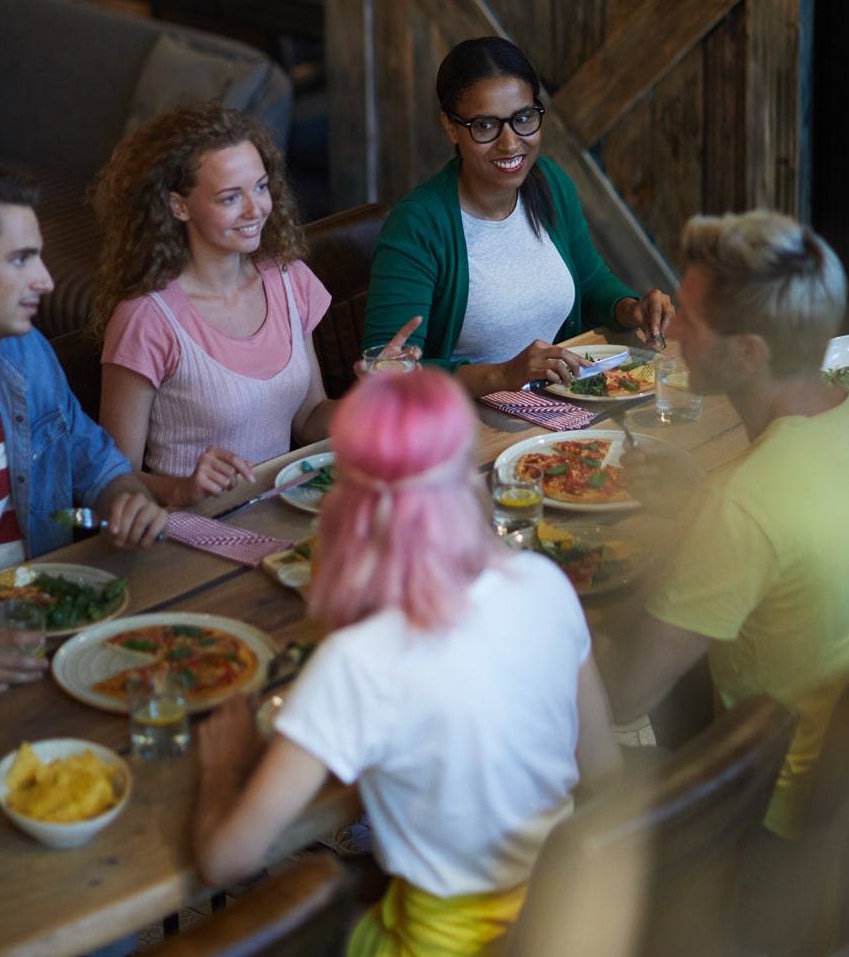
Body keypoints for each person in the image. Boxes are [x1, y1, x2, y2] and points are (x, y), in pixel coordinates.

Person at [193, 368, 620, 956]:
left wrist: (223, 766)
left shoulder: (358, 661)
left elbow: (224, 861)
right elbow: (603, 768)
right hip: (560, 926)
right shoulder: (543, 582)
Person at [598, 210, 849, 950]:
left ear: (748, 352)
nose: (672, 331)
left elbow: (622, 696)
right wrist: (701, 499)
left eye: (691, 319)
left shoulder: (739, 505)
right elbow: (797, 532)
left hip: (768, 833)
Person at [0, 161, 167, 694]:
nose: (45, 280)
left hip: (45, 626)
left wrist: (127, 501)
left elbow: (101, 469)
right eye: (21, 258)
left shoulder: (29, 353)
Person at [362, 37, 674, 396]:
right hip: (463, 421)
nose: (510, 143)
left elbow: (590, 283)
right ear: (450, 126)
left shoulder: (551, 184)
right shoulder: (418, 224)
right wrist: (501, 375)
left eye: (523, 118)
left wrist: (632, 309)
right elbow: (387, 371)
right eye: (484, 125)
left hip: (559, 405)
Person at [91, 101, 336, 506]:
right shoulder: (146, 318)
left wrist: (380, 402)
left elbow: (309, 418)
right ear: (178, 206)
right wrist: (183, 489)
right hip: (192, 529)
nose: (256, 209)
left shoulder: (290, 279)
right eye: (230, 197)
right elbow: (111, 478)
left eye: (261, 187)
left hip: (282, 513)